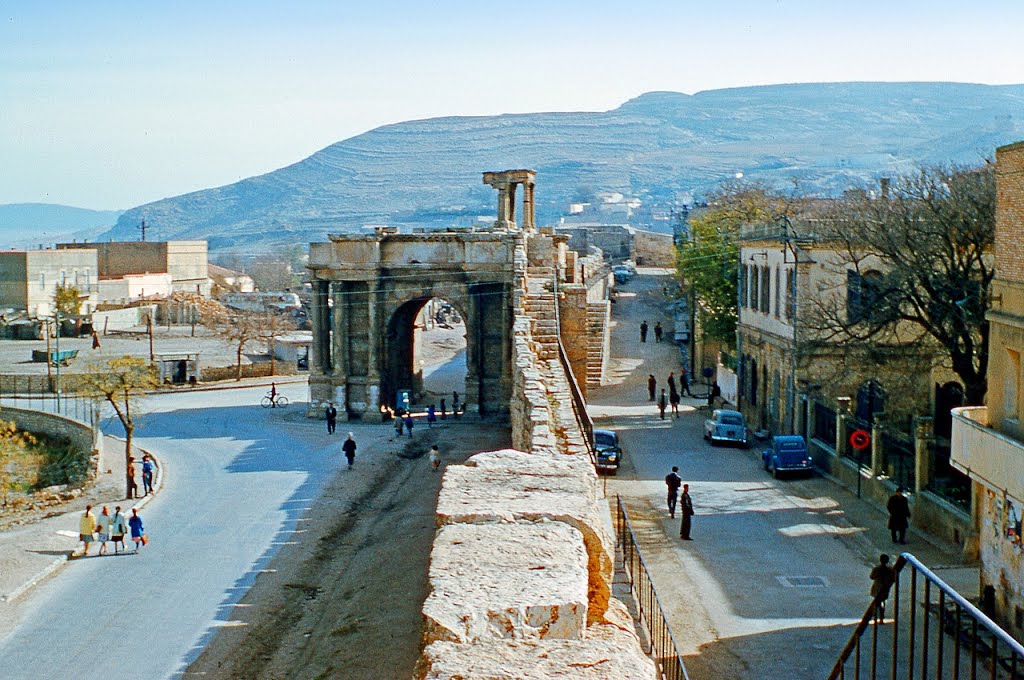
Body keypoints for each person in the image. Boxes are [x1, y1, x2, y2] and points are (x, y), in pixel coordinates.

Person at [869, 554, 896, 622]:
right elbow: (893, 579)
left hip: (877, 587)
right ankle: (881, 615)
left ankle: (876, 614)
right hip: (885, 588)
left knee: (877, 601)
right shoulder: (890, 570)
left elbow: (872, 577)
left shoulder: (876, 569)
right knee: (883, 601)